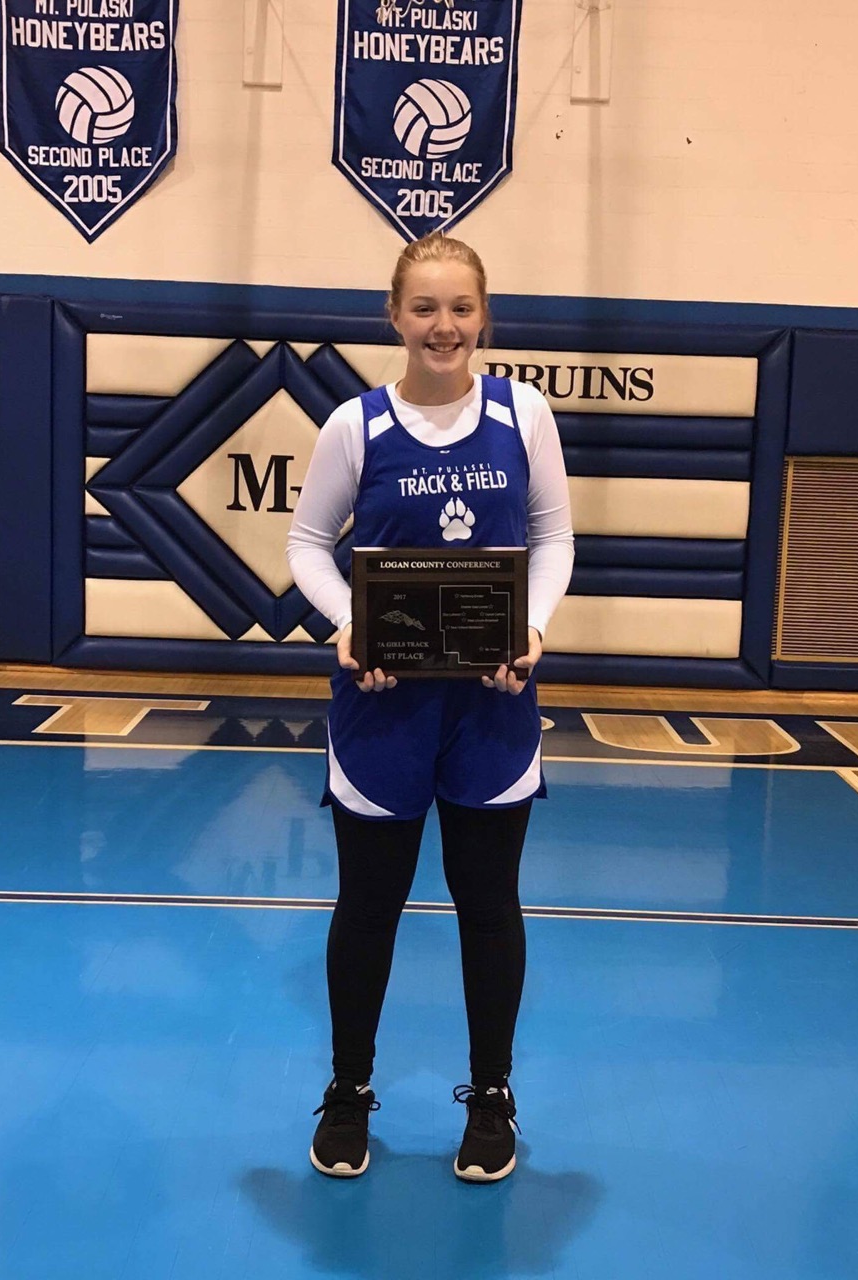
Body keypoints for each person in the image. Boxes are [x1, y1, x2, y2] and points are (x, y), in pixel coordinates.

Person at [286, 231, 574, 1182]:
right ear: (394, 317)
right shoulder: (355, 426)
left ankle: (491, 1097)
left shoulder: (524, 413)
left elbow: (552, 536)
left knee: (488, 906)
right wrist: (350, 624)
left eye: (460, 307)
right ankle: (348, 1090)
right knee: (369, 906)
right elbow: (308, 544)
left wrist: (531, 628)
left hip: (492, 704)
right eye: (424, 308)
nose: (442, 326)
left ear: (484, 316)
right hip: (384, 707)